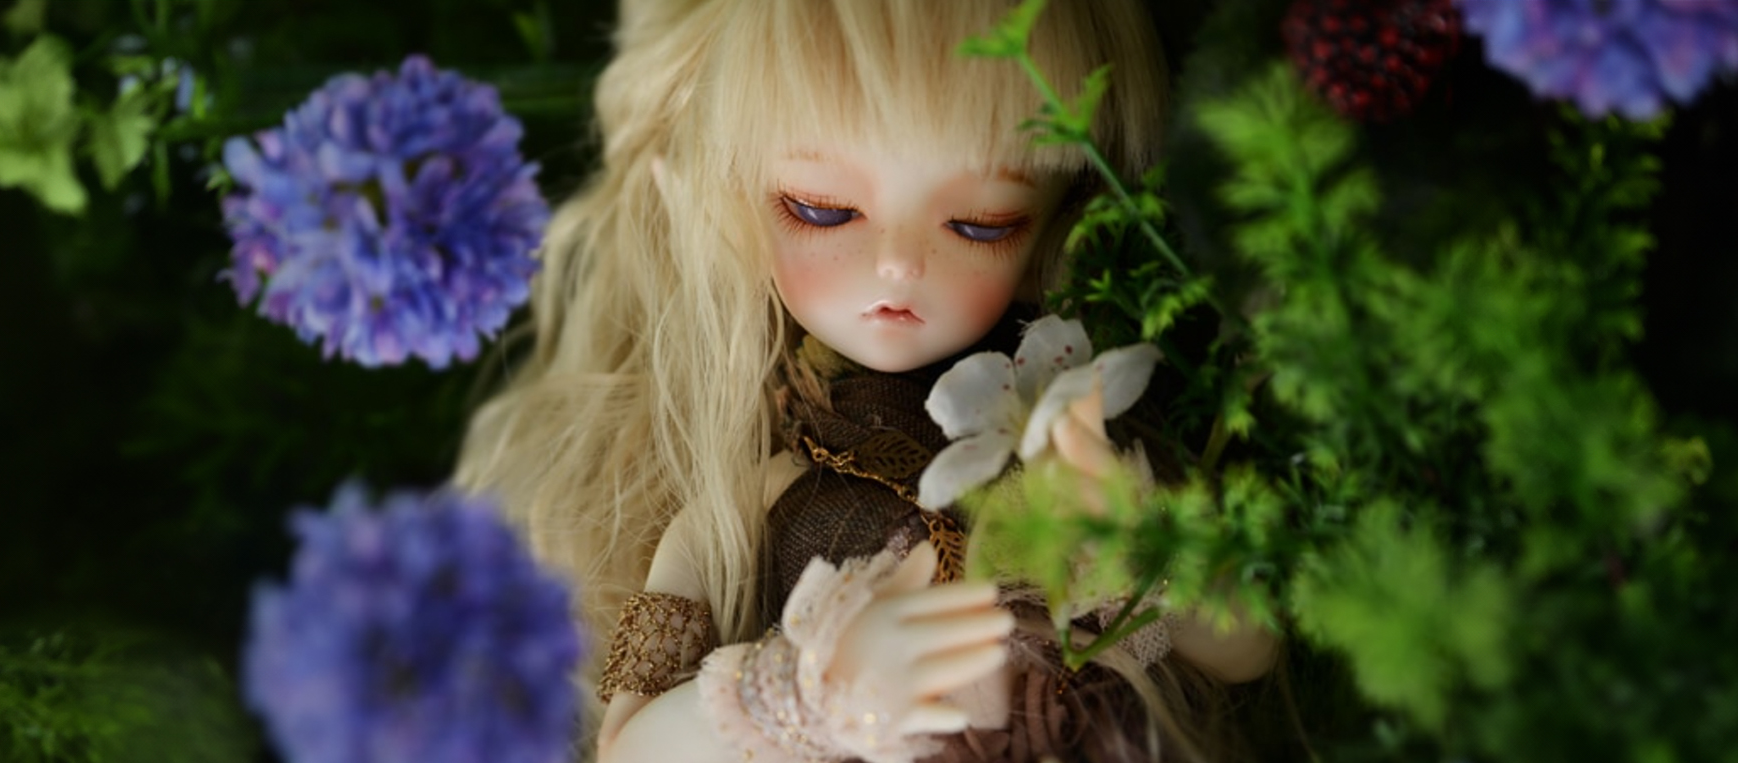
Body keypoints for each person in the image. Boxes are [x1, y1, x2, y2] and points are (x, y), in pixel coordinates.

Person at [452, 0, 1279, 760]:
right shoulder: (747, 510)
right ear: (720, 210)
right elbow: (627, 747)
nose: (897, 264)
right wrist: (811, 691)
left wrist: (1138, 546)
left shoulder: (1073, 448)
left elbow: (1248, 648)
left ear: (1056, 229)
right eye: (820, 208)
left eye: (979, 222)